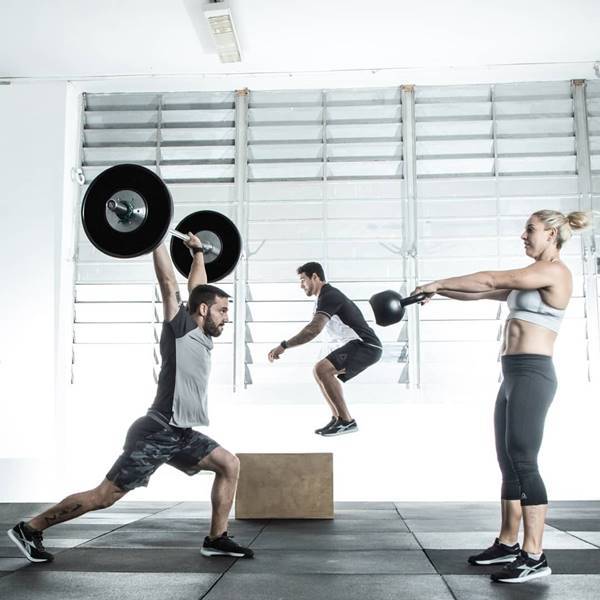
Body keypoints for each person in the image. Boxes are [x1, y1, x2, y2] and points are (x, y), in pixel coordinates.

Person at [7, 234, 254, 562]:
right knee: (105, 496)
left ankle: (216, 538)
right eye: (223, 311)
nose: (227, 317)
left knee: (229, 464)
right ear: (204, 311)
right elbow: (169, 283)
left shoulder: (202, 336)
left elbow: (198, 288)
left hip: (181, 433)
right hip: (158, 431)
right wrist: (156, 235)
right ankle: (31, 528)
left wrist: (197, 254)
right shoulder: (180, 329)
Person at [412, 210, 590, 584]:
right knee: (507, 460)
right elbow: (487, 291)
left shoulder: (555, 271)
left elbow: (492, 277)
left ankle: (535, 555)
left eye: (530, 230)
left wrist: (439, 280)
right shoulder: (532, 278)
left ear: (552, 233)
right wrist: (438, 291)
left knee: (524, 459)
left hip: (533, 374)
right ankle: (509, 542)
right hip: (511, 375)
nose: (523, 236)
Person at [268, 262, 382, 436]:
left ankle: (346, 421)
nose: (301, 286)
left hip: (366, 345)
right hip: (358, 344)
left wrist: (284, 345)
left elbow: (313, 329)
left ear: (315, 277)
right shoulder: (324, 297)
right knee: (319, 372)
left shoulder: (329, 295)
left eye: (302, 280)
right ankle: (338, 418)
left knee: (322, 369)